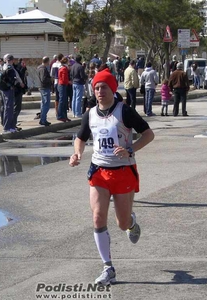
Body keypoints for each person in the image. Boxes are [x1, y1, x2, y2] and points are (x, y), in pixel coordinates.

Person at [69, 69, 154, 286]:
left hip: (123, 171)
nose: (99, 91)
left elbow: (148, 134)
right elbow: (80, 137)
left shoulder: (124, 111)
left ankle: (131, 222)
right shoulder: (90, 114)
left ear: (113, 88)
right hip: (99, 171)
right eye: (96, 88)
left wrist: (130, 150)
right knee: (98, 217)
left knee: (122, 223)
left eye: (104, 87)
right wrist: (77, 153)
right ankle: (108, 268)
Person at [1, 54, 24, 134]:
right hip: (8, 89)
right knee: (9, 108)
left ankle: (8, 126)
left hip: (4, 89)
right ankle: (7, 127)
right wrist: (19, 83)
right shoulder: (9, 68)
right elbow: (16, 77)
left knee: (8, 108)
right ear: (11, 60)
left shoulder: (2, 67)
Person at [36, 56, 52, 126]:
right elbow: (43, 79)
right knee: (46, 104)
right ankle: (43, 119)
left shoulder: (39, 68)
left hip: (41, 87)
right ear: (47, 61)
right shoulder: (43, 69)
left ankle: (43, 119)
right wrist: (50, 79)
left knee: (43, 104)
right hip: (44, 87)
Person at [57, 56, 71, 122]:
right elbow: (63, 79)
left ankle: (64, 116)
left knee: (64, 101)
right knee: (62, 100)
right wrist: (68, 82)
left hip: (62, 85)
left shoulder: (62, 68)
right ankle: (60, 116)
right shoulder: (64, 69)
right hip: (62, 85)